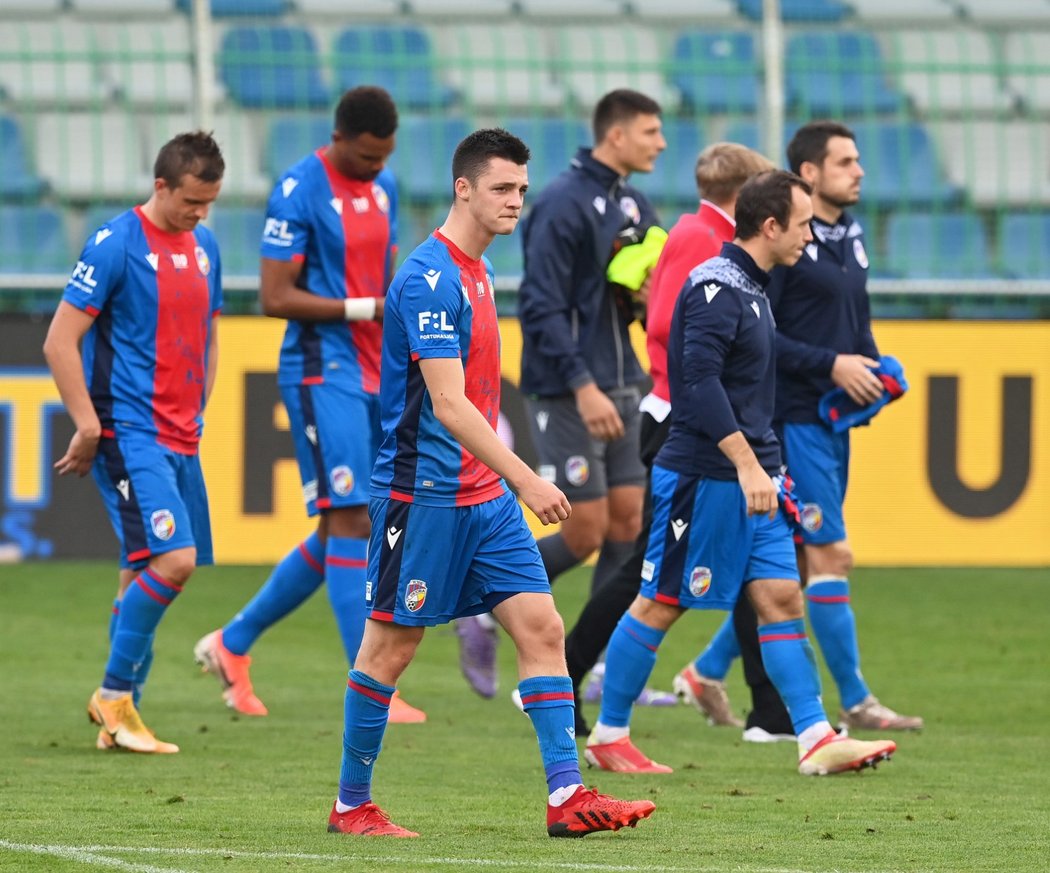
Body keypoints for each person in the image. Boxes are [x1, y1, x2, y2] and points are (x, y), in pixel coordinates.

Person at [327, 128, 656, 838]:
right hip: (424, 497)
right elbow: (448, 406)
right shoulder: (431, 278)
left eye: (521, 190)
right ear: (463, 188)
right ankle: (352, 803)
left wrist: (504, 484)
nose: (515, 202)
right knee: (391, 647)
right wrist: (530, 480)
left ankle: (567, 796)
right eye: (502, 189)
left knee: (542, 626)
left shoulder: (477, 271)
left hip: (482, 496)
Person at [584, 171, 898, 776]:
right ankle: (609, 733)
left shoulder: (754, 287)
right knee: (661, 603)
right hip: (706, 477)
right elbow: (696, 386)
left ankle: (814, 738)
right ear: (771, 226)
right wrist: (748, 462)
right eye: (803, 224)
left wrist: (766, 466)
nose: (811, 235)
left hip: (757, 476)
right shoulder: (714, 288)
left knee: (781, 599)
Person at [191, 87, 426, 723]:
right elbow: (274, 295)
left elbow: (386, 273)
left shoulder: (386, 188)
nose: (377, 167)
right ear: (341, 137)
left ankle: (231, 643)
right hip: (324, 371)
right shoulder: (298, 190)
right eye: (368, 156)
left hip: (379, 367)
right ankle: (372, 685)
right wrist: (365, 309)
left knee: (346, 527)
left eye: (386, 158)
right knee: (351, 517)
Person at [686, 121, 922, 738]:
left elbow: (853, 321)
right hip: (792, 420)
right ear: (808, 174)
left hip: (831, 418)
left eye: (859, 158)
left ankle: (706, 670)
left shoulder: (848, 237)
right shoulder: (788, 243)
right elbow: (768, 338)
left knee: (785, 564)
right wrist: (832, 365)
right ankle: (856, 701)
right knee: (828, 553)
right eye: (845, 161)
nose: (859, 170)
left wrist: (872, 365)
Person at [558, 143, 776, 732]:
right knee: (647, 571)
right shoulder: (701, 239)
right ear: (745, 193)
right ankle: (564, 673)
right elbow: (663, 324)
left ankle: (771, 706)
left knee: (739, 560)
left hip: (697, 417)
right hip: (685, 420)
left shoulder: (701, 236)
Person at [43, 131, 226, 753]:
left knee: (140, 571)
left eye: (209, 203)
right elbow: (58, 340)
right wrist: (90, 424)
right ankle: (114, 695)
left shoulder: (205, 246)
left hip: (182, 433)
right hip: (129, 431)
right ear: (160, 186)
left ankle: (122, 722)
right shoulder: (117, 243)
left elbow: (209, 332)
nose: (199, 214)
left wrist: (201, 403)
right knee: (172, 562)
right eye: (190, 203)